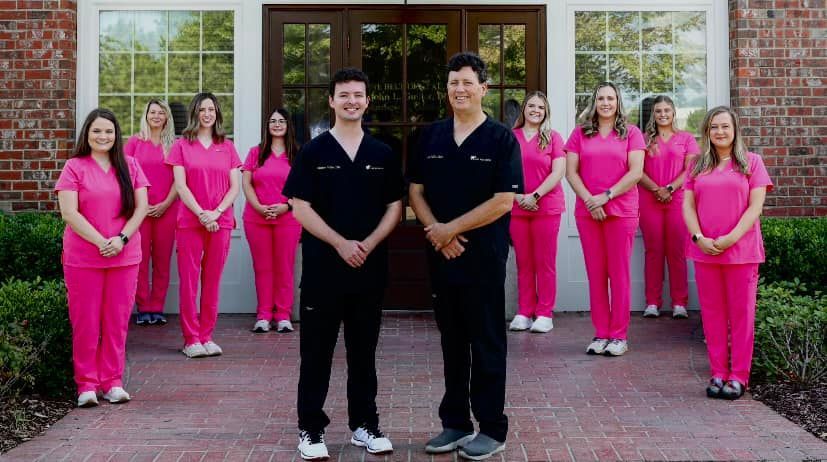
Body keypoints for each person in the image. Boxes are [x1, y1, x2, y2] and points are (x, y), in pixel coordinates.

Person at [283, 68, 404, 460]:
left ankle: (365, 425)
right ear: (332, 101)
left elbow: (395, 207)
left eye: (358, 95)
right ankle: (311, 429)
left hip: (368, 270)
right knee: (316, 352)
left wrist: (366, 244)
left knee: (363, 353)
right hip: (323, 271)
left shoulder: (382, 153)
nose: (352, 101)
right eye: (344, 95)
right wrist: (339, 243)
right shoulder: (312, 153)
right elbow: (299, 207)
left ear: (367, 102)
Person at [409, 52, 522, 460]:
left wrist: (449, 230)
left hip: (483, 258)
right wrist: (437, 235)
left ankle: (492, 427)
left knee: (487, 341)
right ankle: (455, 423)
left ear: (483, 89)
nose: (460, 89)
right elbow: (416, 191)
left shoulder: (501, 139)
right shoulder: (432, 136)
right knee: (451, 342)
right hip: (442, 256)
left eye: (468, 83)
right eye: (454, 82)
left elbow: (504, 201)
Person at [56, 108, 149, 407]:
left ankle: (112, 381)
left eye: (108, 131)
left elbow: (141, 208)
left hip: (124, 256)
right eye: (97, 131)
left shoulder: (131, 165)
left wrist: (120, 240)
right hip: (84, 257)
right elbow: (69, 212)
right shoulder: (74, 166)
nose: (103, 136)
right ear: (87, 134)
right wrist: (101, 242)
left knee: (117, 321)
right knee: (85, 321)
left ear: (116, 135)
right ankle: (86, 384)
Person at [683, 106, 772, 400]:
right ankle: (719, 372)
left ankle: (739, 376)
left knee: (741, 316)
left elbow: (755, 207)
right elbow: (688, 206)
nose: (720, 132)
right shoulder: (697, 165)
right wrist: (698, 237)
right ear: (707, 132)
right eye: (714, 127)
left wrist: (731, 238)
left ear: (735, 131)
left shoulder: (752, 163)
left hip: (742, 252)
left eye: (725, 127)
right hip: (705, 251)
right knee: (712, 315)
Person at [564, 81, 645, 357]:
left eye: (611, 98)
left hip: (621, 212)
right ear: (594, 102)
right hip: (588, 213)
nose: (606, 103)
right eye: (601, 98)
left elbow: (635, 172)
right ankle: (601, 334)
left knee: (619, 274)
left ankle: (619, 336)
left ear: (618, 102)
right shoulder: (579, 134)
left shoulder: (632, 133)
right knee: (596, 274)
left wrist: (606, 197)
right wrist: (591, 200)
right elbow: (571, 173)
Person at [166, 92, 241, 358]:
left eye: (212, 109)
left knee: (213, 281)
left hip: (220, 222)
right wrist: (201, 214)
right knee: (189, 281)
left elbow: (236, 187)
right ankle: (191, 339)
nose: (207, 113)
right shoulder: (181, 146)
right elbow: (180, 185)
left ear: (217, 114)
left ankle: (207, 335)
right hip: (190, 221)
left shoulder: (228, 146)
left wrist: (216, 213)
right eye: (203, 109)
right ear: (195, 113)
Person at [508, 91, 567, 334]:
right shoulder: (510, 137)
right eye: (531, 106)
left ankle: (544, 313)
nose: (535, 110)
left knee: (545, 261)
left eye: (540, 108)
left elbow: (558, 172)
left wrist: (534, 196)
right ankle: (524, 311)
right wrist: (517, 197)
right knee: (524, 261)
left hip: (547, 207)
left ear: (546, 112)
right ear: (524, 110)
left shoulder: (553, 137)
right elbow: (501, 171)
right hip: (516, 206)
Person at [638, 95, 699, 319]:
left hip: (678, 201)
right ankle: (652, 302)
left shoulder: (686, 138)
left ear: (674, 113)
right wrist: (656, 189)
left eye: (667, 110)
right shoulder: (643, 139)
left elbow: (691, 169)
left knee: (677, 251)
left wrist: (669, 189)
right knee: (653, 251)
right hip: (649, 200)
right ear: (652, 115)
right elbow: (636, 170)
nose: (663, 114)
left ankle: (679, 303)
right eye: (658, 111)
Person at [242, 108, 301, 334]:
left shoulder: (297, 154)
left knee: (285, 267)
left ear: (288, 125)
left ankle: (283, 315)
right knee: (263, 267)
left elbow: (303, 187)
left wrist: (285, 206)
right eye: (273, 121)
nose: (277, 124)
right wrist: (259, 207)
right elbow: (247, 183)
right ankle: (264, 315)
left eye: (281, 121)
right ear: (267, 126)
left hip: (288, 218)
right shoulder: (255, 152)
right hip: (257, 219)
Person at [125, 99, 177, 326]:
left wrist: (165, 203)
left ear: (167, 117)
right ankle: (143, 307)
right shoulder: (135, 142)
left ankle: (157, 307)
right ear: (146, 115)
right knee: (141, 259)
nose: (156, 116)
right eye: (152, 112)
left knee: (162, 260)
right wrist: (140, 205)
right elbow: (126, 176)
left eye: (161, 113)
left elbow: (180, 180)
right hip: (141, 210)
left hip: (167, 208)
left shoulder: (174, 145)